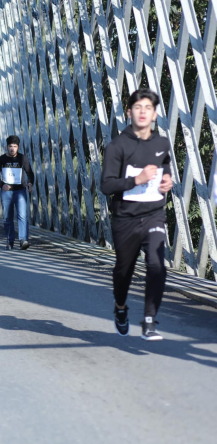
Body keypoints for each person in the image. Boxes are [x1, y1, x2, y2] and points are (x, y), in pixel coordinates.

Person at [101, 88, 172, 341]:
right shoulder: (117, 146)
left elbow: (164, 167)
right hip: (126, 219)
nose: (143, 112)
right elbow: (106, 185)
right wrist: (136, 180)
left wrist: (167, 181)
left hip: (153, 214)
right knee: (124, 271)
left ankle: (149, 320)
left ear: (155, 114)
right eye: (137, 107)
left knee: (157, 264)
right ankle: (120, 306)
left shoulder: (162, 143)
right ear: (129, 112)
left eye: (148, 108)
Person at [0, 136, 34, 250]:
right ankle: (10, 240)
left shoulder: (23, 158)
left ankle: (23, 240)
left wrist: (30, 183)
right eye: (10, 146)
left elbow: (30, 173)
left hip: (20, 191)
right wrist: (2, 185)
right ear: (7, 146)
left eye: (15, 146)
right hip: (6, 192)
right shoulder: (1, 159)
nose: (12, 149)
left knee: (22, 216)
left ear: (18, 147)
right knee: (7, 217)